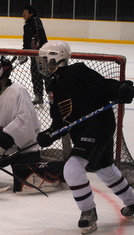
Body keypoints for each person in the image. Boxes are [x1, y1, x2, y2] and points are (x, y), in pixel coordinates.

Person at [36, 41, 134, 234]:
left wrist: (122, 88)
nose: (41, 64)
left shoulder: (77, 72)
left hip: (99, 126)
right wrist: (50, 134)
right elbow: (61, 120)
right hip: (82, 132)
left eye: (44, 59)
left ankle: (88, 212)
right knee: (104, 168)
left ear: (56, 58)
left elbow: (104, 86)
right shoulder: (53, 84)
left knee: (72, 168)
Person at [0, 56, 65, 192]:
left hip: (23, 149)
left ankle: (60, 170)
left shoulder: (18, 91)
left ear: (0, 72)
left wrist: (3, 138)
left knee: (26, 182)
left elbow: (25, 122)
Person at [19, 5, 49, 105]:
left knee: (46, 75)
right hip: (33, 54)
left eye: (25, 12)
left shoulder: (35, 20)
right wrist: (24, 52)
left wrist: (36, 43)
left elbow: (38, 34)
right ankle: (38, 96)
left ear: (31, 14)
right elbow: (26, 40)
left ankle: (51, 94)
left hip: (41, 53)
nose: (23, 14)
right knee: (35, 75)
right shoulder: (26, 25)